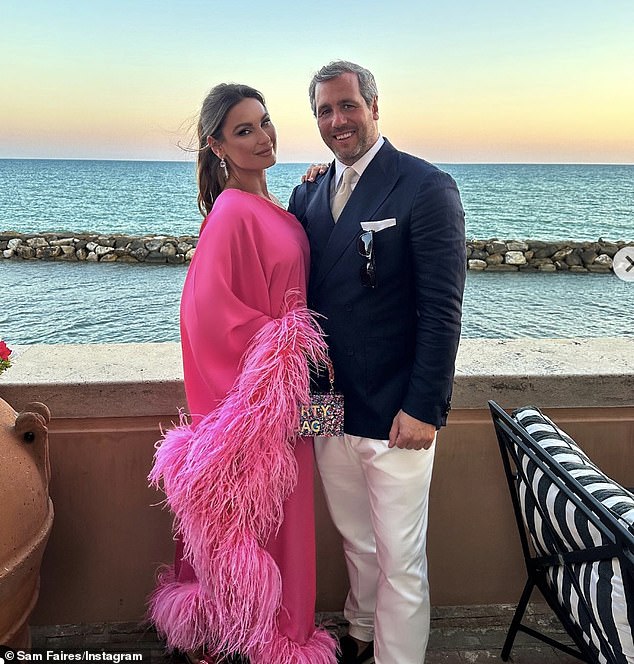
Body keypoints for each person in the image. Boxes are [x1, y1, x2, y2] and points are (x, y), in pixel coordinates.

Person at [148, 83, 337, 664]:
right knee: (256, 519)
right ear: (217, 145)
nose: (262, 137)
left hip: (293, 398)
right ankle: (253, 636)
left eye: (264, 122)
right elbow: (206, 314)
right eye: (244, 130)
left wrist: (320, 183)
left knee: (283, 515)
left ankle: (274, 636)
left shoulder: (275, 205)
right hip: (262, 405)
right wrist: (284, 353)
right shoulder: (230, 212)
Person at [289, 61, 467, 664]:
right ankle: (361, 632)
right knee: (355, 541)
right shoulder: (308, 192)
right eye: (324, 110)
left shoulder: (425, 186)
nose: (337, 120)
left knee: (401, 560)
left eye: (347, 105)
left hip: (397, 413)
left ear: (373, 106)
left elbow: (442, 310)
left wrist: (424, 408)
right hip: (327, 408)